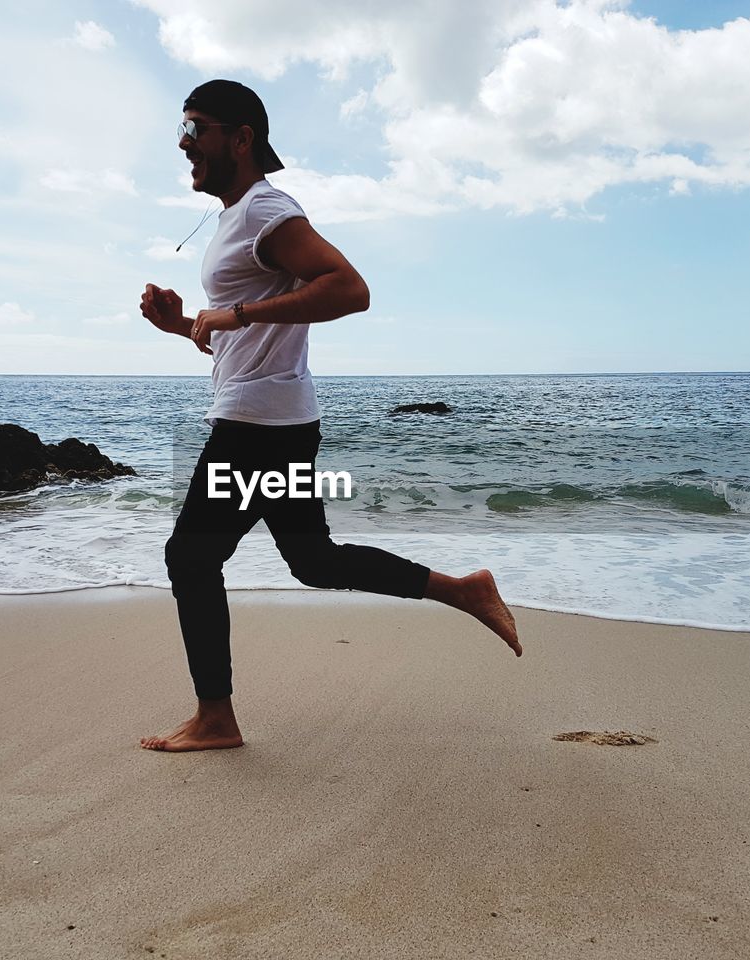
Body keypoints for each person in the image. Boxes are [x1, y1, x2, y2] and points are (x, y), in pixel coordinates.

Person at [138, 79, 521, 752]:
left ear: (241, 138)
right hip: (274, 417)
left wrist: (235, 313)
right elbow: (243, 334)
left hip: (257, 424)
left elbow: (349, 288)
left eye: (197, 129)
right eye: (184, 129)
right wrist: (184, 327)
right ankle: (463, 591)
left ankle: (217, 718)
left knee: (190, 556)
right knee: (312, 559)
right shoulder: (236, 220)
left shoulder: (267, 211)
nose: (184, 143)